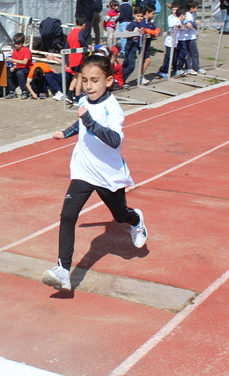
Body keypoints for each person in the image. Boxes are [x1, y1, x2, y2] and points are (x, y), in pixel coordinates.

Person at [41, 53, 147, 291]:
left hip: (108, 173)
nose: (89, 86)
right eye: (85, 80)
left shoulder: (113, 108)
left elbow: (113, 140)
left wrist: (88, 121)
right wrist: (65, 133)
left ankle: (136, 219)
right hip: (83, 169)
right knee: (68, 216)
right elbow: (79, 124)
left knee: (120, 216)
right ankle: (63, 271)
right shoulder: (84, 101)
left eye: (95, 80)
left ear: (108, 81)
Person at [4, 33, 33, 99]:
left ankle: (24, 91)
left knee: (19, 73)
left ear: (22, 43)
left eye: (18, 44)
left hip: (27, 68)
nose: (16, 45)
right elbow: (15, 63)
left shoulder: (26, 50)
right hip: (18, 67)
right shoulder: (14, 51)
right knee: (9, 72)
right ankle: (12, 91)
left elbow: (25, 62)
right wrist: (13, 67)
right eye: (15, 44)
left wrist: (13, 60)